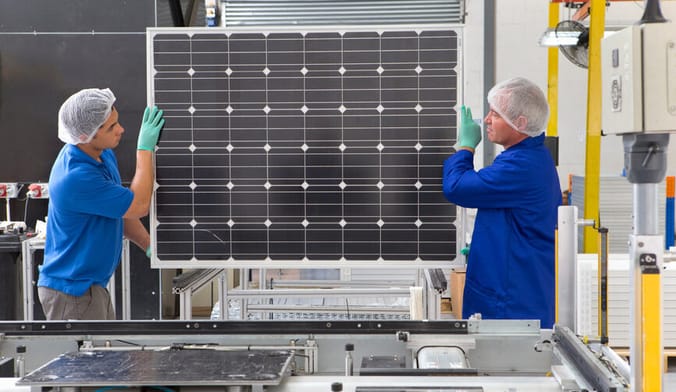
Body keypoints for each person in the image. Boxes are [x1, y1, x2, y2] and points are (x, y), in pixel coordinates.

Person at [442, 77, 562, 328]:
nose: (486, 119)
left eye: (495, 114)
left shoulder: (521, 166)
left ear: (519, 123)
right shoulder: (528, 157)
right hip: (513, 291)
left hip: (512, 304)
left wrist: (465, 148)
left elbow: (457, 187)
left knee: (503, 364)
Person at [37, 88, 164, 320]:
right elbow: (138, 205)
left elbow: (120, 211)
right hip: (72, 293)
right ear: (86, 135)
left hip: (90, 287)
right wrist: (145, 150)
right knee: (90, 357)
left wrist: (148, 245)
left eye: (116, 121)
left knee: (106, 355)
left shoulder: (101, 154)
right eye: (111, 127)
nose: (121, 130)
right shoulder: (76, 177)